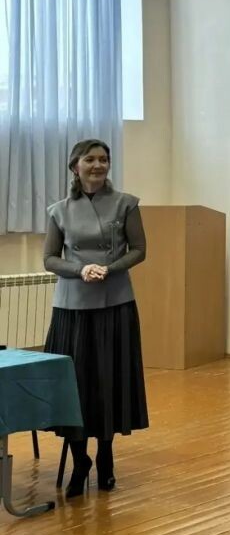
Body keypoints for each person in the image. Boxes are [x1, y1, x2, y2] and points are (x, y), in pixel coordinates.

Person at [43, 139, 149, 498]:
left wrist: (109, 268)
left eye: (104, 159)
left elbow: (139, 250)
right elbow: (50, 259)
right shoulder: (58, 210)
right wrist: (81, 269)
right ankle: (80, 460)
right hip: (71, 308)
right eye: (90, 159)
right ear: (76, 167)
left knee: (108, 380)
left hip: (114, 302)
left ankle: (105, 456)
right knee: (75, 384)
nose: (98, 165)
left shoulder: (126, 203)